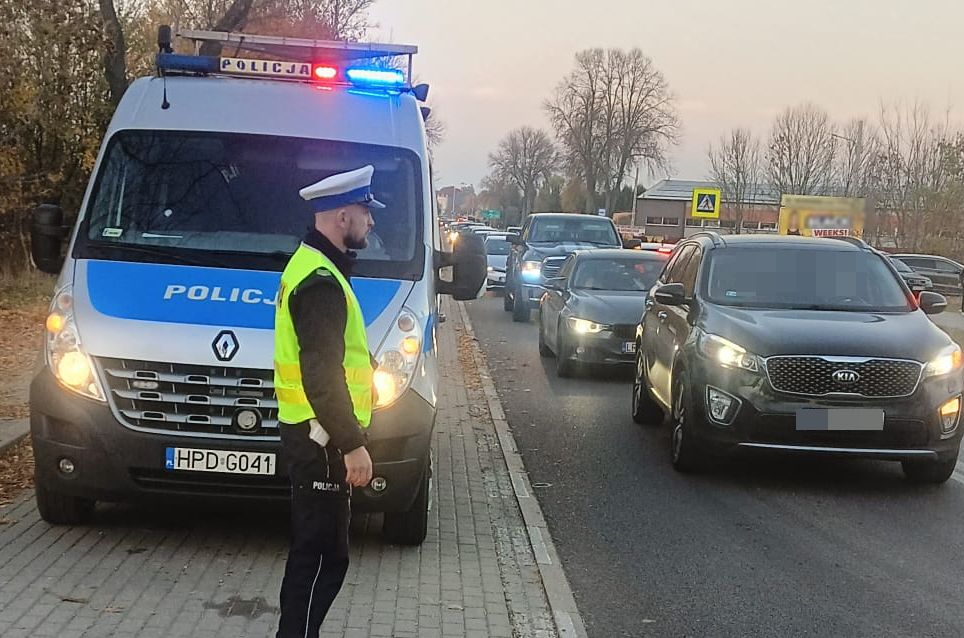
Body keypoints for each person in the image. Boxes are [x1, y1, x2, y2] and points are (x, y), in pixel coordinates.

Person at [273, 165, 383, 638]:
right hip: (320, 441)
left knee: (317, 553)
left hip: (313, 436)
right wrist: (352, 443)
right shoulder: (321, 282)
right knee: (322, 557)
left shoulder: (315, 268)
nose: (371, 221)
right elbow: (322, 377)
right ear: (342, 216)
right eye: (365, 211)